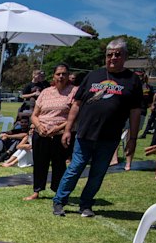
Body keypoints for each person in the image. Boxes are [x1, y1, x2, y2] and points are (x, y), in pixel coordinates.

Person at [51, 38, 143, 217]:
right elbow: (76, 104)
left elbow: (135, 112)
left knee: (98, 173)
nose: (113, 58)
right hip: (85, 133)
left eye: (118, 55)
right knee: (75, 168)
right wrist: (68, 129)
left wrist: (132, 139)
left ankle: (86, 204)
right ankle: (59, 201)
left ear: (125, 56)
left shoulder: (132, 81)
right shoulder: (93, 75)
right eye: (110, 55)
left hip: (109, 136)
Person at [23, 63, 77, 201]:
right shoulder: (45, 92)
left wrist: (58, 128)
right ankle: (37, 190)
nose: (61, 76)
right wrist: (39, 127)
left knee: (59, 164)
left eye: (64, 73)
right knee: (40, 163)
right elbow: (34, 115)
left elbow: (75, 115)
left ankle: (58, 191)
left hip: (60, 135)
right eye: (58, 74)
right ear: (53, 76)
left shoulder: (74, 91)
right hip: (41, 133)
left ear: (68, 75)